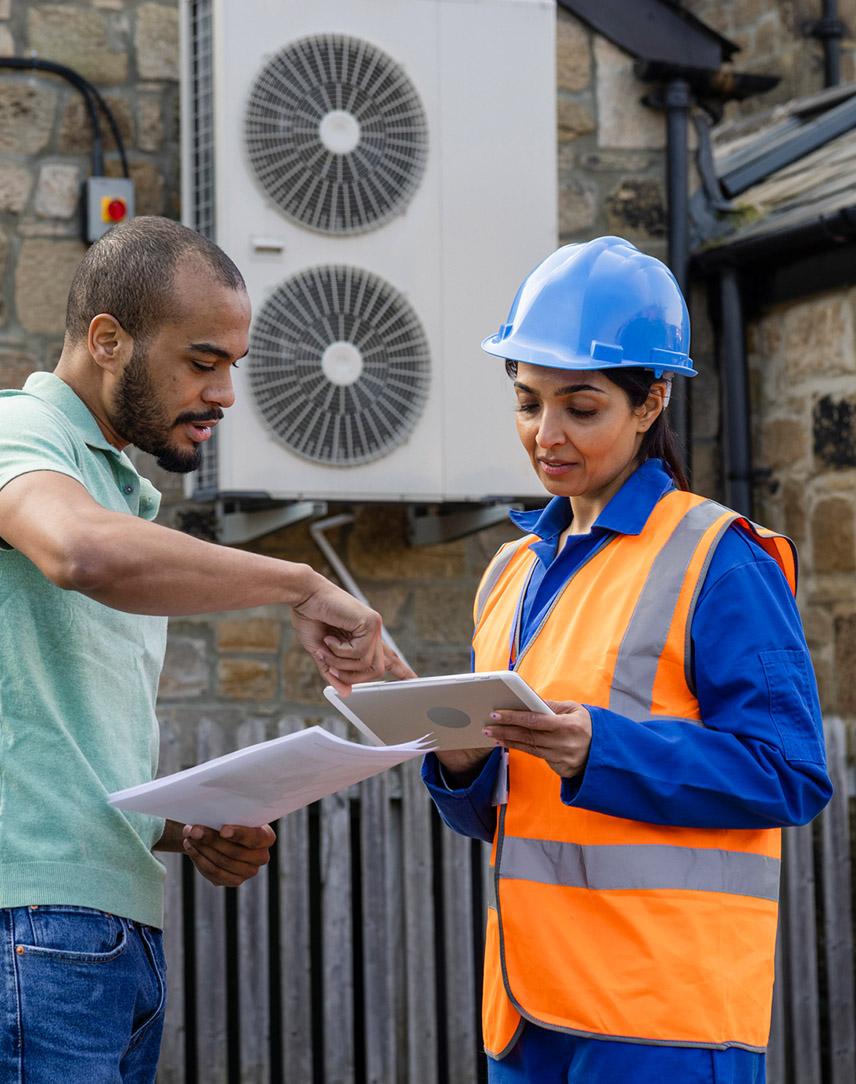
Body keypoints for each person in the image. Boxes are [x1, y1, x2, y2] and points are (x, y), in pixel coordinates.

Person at [0, 216, 412, 1082]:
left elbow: (48, 747)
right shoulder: (16, 435)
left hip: (102, 935)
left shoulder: (116, 490)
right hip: (32, 932)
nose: (225, 393)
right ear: (108, 340)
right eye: (202, 361)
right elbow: (78, 552)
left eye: (234, 365)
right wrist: (299, 583)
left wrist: (180, 830)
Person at [422, 236, 832, 1083]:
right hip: (528, 1018)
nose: (547, 434)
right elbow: (502, 821)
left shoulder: (720, 556)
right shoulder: (508, 574)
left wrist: (598, 748)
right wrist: (461, 770)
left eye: (582, 407)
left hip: (662, 1021)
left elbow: (791, 774)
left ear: (650, 405)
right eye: (528, 403)